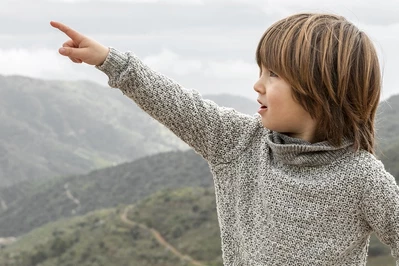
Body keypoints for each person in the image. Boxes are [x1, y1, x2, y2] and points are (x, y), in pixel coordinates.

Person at [51, 13, 399, 266]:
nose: (258, 84)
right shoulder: (240, 143)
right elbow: (179, 105)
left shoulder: (362, 178)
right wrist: (110, 61)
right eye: (260, 70)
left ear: (322, 87)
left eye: (274, 74)